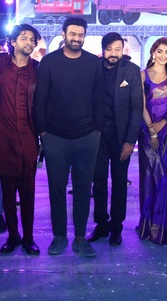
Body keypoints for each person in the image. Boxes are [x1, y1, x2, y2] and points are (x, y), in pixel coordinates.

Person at [34, 16, 103, 257]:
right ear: (63, 34)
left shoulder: (93, 63)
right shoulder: (49, 62)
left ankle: (81, 238)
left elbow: (99, 98)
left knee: (84, 189)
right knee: (57, 189)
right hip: (55, 137)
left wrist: (97, 131)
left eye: (80, 35)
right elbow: (40, 99)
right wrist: (43, 132)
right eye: (72, 34)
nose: (76, 38)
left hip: (87, 136)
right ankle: (59, 236)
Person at [0, 24, 42, 256]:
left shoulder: (37, 69)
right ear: (13, 41)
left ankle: (28, 237)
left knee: (28, 192)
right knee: (7, 193)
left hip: (28, 137)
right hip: (3, 138)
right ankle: (12, 235)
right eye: (24, 37)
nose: (29, 42)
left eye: (33, 39)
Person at [87, 33, 143, 247]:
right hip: (97, 134)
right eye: (109, 49)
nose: (113, 53)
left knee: (119, 181)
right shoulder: (94, 68)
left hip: (121, 136)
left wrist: (130, 141)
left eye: (117, 49)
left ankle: (117, 226)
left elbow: (136, 108)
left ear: (122, 50)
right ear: (103, 50)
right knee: (98, 181)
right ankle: (101, 224)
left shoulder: (131, 70)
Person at [137, 38, 167, 245]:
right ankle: (150, 225)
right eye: (160, 51)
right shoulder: (143, 75)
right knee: (150, 179)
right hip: (148, 135)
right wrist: (151, 130)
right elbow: (141, 106)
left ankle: (166, 225)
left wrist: (163, 123)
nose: (163, 55)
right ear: (153, 52)